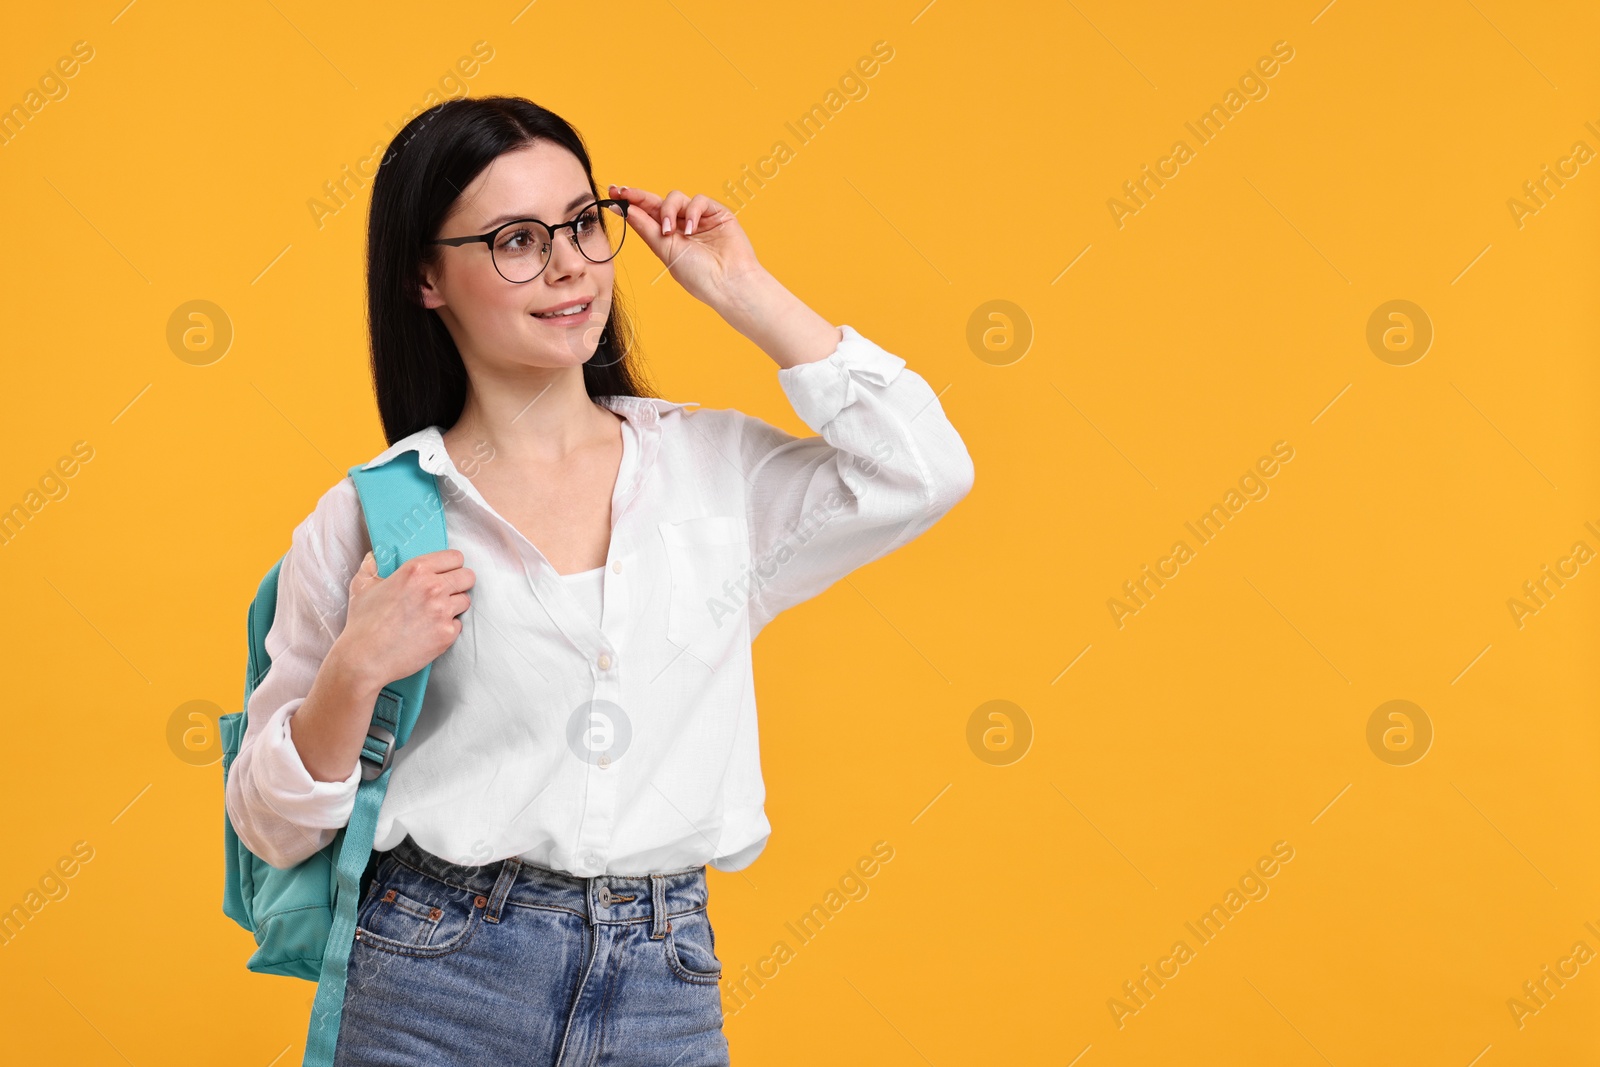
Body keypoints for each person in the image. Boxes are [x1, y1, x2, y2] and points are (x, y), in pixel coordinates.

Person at [224, 95, 974, 1066]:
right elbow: (272, 826)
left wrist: (740, 288)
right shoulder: (379, 514)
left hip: (662, 978)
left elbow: (923, 469)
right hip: (430, 977)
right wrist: (353, 669)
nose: (571, 263)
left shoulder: (712, 473)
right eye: (516, 239)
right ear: (423, 276)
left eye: (583, 223)